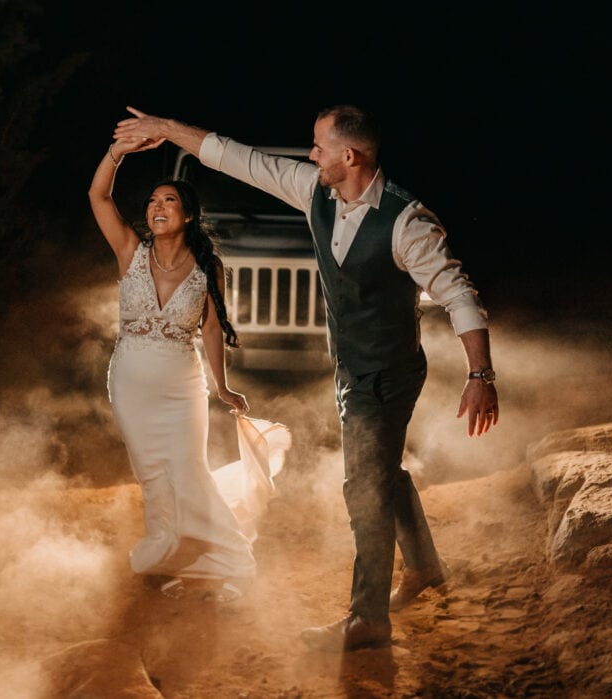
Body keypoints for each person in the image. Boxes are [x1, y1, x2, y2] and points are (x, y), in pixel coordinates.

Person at [114, 105, 499, 650]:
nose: (310, 155)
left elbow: (460, 295)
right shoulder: (315, 191)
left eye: (319, 147)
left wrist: (479, 373)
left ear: (350, 156)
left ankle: (368, 618)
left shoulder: (407, 221)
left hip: (388, 371)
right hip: (350, 366)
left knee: (362, 486)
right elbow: (238, 159)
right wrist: (167, 128)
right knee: (380, 467)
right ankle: (424, 567)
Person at [88, 134, 276, 603]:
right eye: (152, 200)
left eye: (169, 200)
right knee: (153, 473)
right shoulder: (129, 250)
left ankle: (231, 559)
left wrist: (223, 387)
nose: (157, 206)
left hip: (181, 385)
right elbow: (98, 195)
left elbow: (211, 330)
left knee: (188, 471)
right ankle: (176, 560)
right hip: (130, 381)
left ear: (187, 215)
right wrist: (118, 154)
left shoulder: (207, 268)